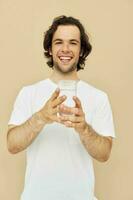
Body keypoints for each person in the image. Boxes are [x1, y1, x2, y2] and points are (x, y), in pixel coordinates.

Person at [7, 15, 115, 200]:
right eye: (59, 42)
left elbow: (104, 154)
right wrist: (40, 117)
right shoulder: (28, 93)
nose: (65, 49)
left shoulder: (99, 97)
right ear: (50, 49)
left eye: (73, 43)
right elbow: (12, 145)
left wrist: (84, 129)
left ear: (81, 50)